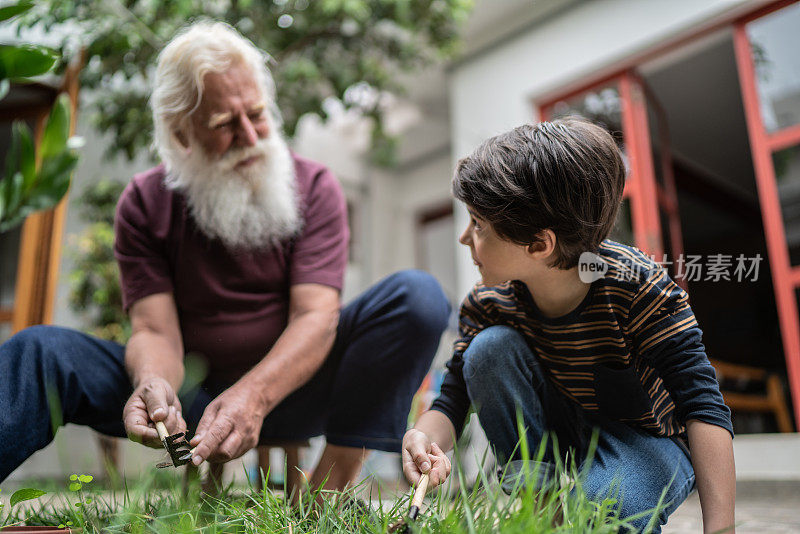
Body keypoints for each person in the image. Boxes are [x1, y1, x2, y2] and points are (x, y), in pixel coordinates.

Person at [0, 21, 451, 491]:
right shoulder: (143, 202)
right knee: (41, 352)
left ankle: (326, 492)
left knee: (416, 297)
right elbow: (154, 329)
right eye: (223, 125)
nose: (250, 135)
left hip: (296, 388)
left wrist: (253, 396)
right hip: (196, 399)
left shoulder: (314, 186)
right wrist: (155, 384)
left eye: (256, 114)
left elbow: (316, 317)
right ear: (181, 135)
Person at [402, 118, 735, 533]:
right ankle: (539, 505)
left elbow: (702, 404)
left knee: (594, 518)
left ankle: (580, 511)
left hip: (648, 439)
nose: (465, 238)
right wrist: (421, 437)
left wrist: (720, 528)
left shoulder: (638, 287)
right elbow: (453, 398)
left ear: (539, 245)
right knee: (488, 349)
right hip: (561, 429)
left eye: (480, 225)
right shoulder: (489, 303)